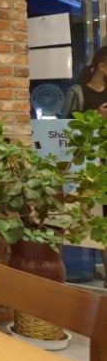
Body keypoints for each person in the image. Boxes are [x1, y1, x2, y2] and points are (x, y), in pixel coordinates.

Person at [63, 45, 107, 286]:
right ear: (101, 66)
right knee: (94, 218)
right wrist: (96, 117)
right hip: (89, 166)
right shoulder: (78, 93)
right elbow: (64, 130)